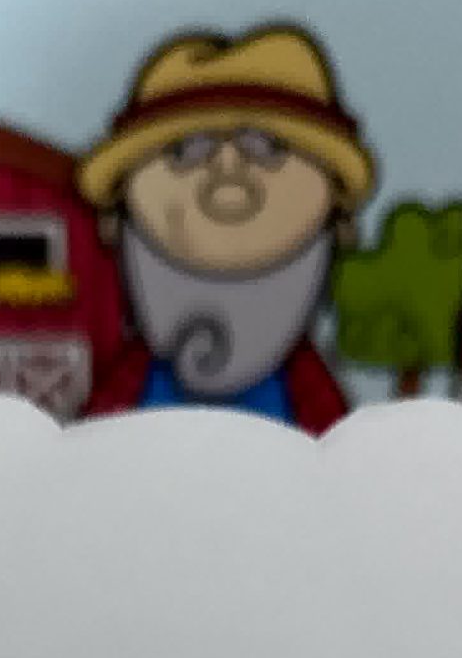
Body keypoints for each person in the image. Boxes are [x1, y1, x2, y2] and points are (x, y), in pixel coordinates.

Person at [78, 24, 375, 428]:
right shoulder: (124, 387)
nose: (228, 166)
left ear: (333, 201)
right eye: (186, 149)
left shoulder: (311, 395)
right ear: (124, 199)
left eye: (268, 147)